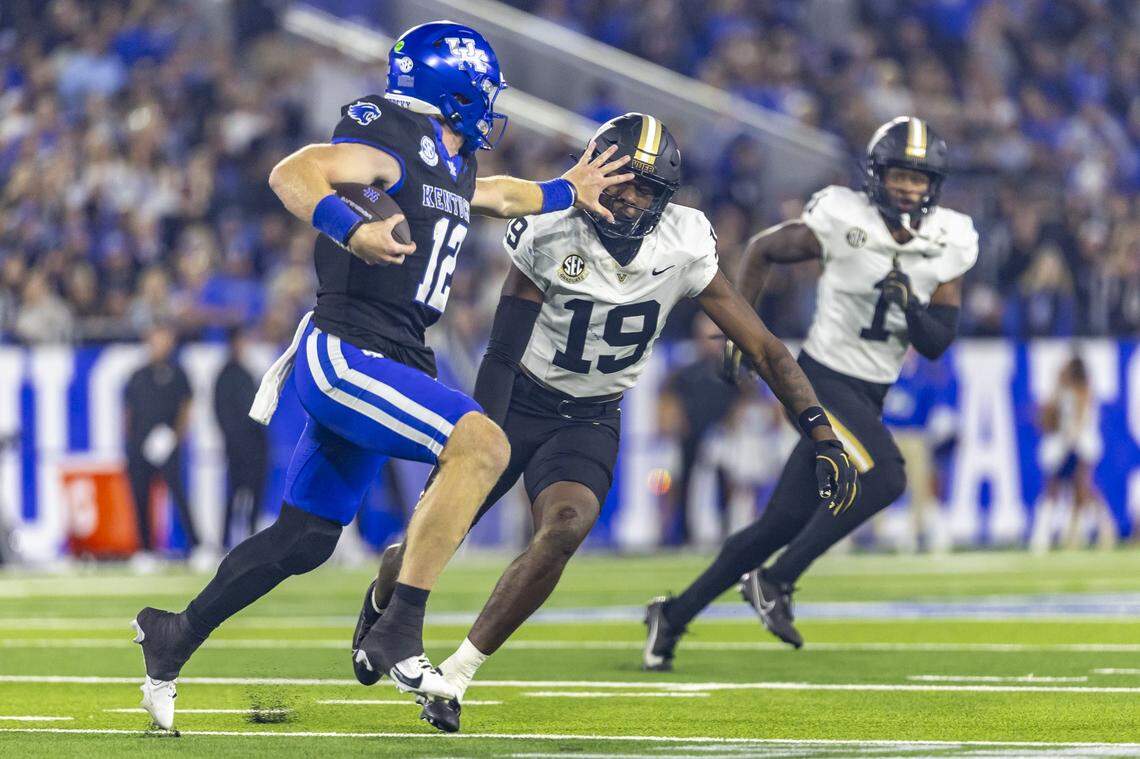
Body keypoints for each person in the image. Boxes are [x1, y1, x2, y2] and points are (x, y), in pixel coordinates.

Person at [129, 20, 630, 731]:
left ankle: (173, 634)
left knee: (305, 538)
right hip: (347, 351)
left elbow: (500, 196)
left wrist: (565, 189)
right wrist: (349, 226)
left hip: (390, 354)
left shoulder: (448, 164)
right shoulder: (389, 134)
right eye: (484, 93)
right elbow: (293, 172)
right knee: (484, 445)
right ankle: (398, 627)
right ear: (452, 90)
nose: (491, 107)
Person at [352, 113, 858, 733]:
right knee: (424, 545)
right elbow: (503, 352)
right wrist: (479, 439)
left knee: (567, 525)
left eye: (645, 188)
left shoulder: (684, 241)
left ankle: (455, 676)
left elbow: (765, 348)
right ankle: (383, 599)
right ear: (596, 169)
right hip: (517, 401)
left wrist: (820, 429)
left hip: (590, 416)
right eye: (620, 179)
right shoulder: (551, 227)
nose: (628, 197)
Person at [644, 116, 979, 667]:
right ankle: (776, 580)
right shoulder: (842, 217)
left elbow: (938, 342)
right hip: (821, 379)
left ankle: (673, 615)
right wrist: (741, 331)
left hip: (870, 393)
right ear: (876, 175)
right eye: (899, 174)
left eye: (919, 179)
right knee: (888, 476)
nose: (908, 188)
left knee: (778, 522)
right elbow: (761, 250)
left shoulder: (950, 239)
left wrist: (910, 306)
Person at [657, 313, 741, 545]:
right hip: (689, 433)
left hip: (720, 435)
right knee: (680, 482)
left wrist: (732, 423)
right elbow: (668, 394)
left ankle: (726, 529)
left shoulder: (731, 371)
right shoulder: (686, 371)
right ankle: (682, 533)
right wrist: (671, 419)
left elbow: (745, 400)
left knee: (727, 480)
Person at [123, 323, 198, 572]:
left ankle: (196, 546)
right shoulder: (138, 374)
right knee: (141, 497)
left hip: (167, 444)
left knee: (179, 494)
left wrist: (175, 438)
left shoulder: (178, 373)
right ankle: (145, 550)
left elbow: (186, 407)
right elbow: (128, 413)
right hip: (140, 445)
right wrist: (131, 444)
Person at [1030, 354, 1115, 552]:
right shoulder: (1061, 392)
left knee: (1082, 489)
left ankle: (1099, 529)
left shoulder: (1083, 392)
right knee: (1059, 488)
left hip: (1081, 445)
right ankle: (1055, 534)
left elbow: (1080, 420)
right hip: (1067, 445)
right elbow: (1048, 420)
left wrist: (1070, 441)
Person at [213, 326, 268, 548]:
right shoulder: (226, 375)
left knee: (254, 495)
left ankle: (251, 540)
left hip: (255, 445)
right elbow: (221, 412)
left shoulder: (247, 372)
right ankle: (225, 542)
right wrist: (233, 439)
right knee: (234, 495)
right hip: (238, 446)